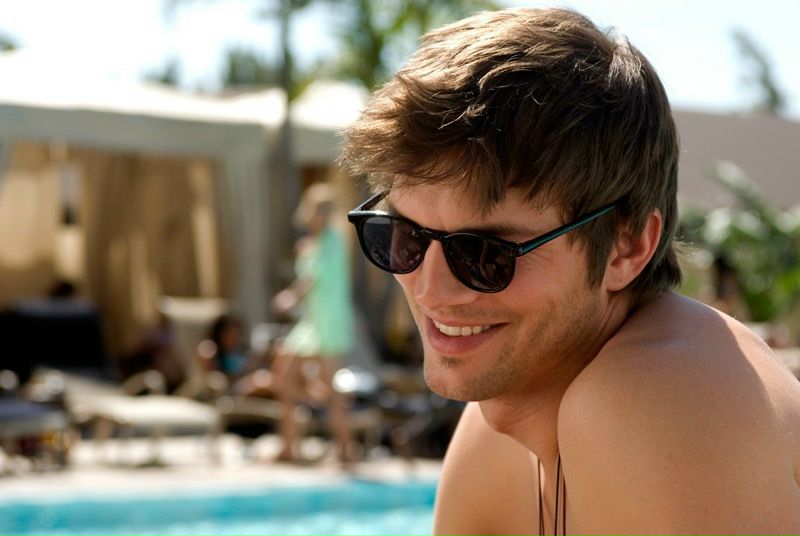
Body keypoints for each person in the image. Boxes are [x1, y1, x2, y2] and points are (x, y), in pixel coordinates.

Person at [341, 7, 800, 535]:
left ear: (626, 248)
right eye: (406, 238)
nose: (431, 289)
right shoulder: (495, 434)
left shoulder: (658, 398)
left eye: (486, 253)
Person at [271, 182, 357, 464]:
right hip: (310, 323)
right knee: (284, 377)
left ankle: (346, 451)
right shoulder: (310, 244)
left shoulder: (333, 241)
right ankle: (289, 447)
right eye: (317, 208)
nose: (319, 214)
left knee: (331, 390)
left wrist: (290, 297)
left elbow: (312, 279)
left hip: (329, 324)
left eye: (325, 209)